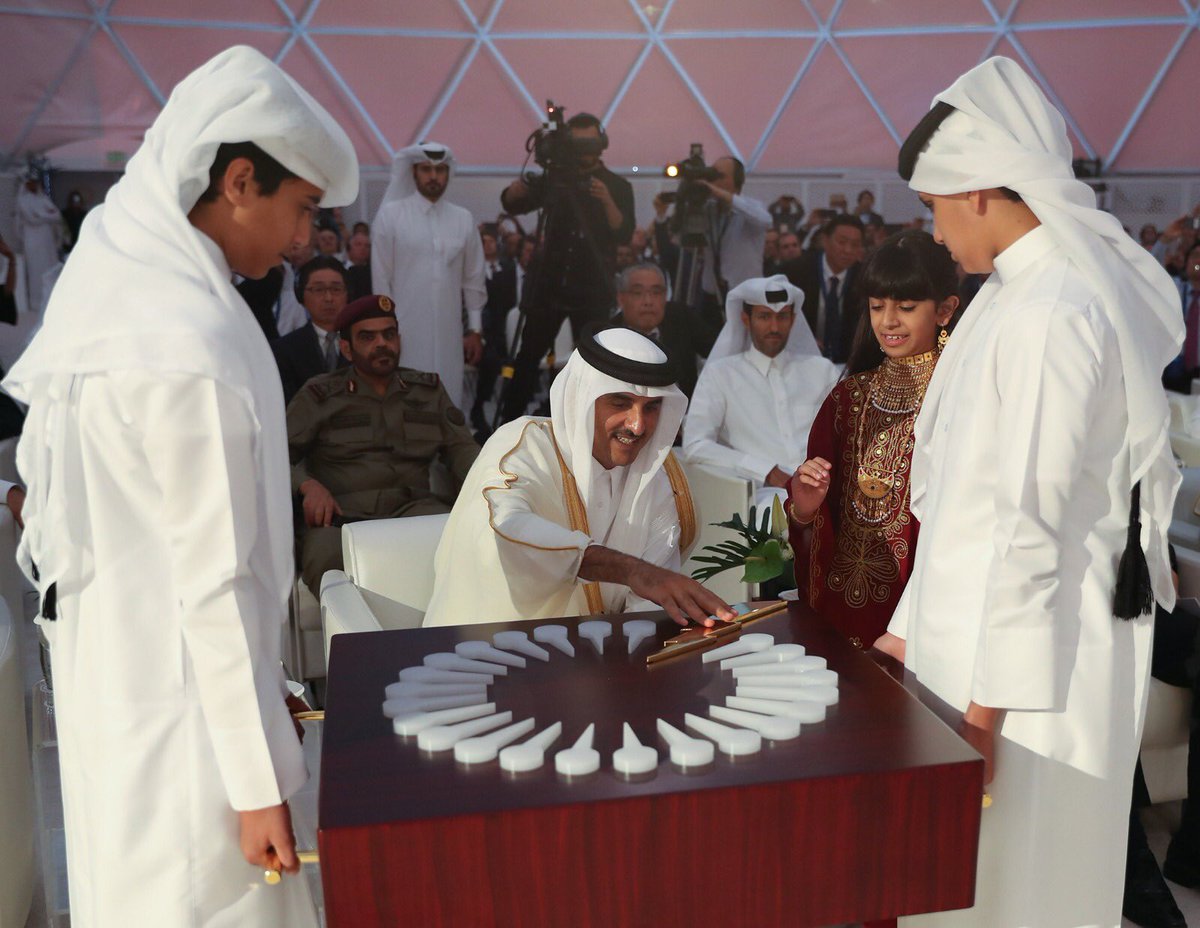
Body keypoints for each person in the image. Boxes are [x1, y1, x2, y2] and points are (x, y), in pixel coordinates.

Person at [1, 46, 358, 926]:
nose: (304, 237)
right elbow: (214, 578)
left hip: (112, 686)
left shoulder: (110, 289)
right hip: (189, 716)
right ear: (238, 182)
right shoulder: (189, 340)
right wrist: (258, 779)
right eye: (301, 207)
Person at [880, 57, 1184, 927]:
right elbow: (965, 502)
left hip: (1029, 684)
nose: (934, 231)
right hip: (974, 657)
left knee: (1023, 894)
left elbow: (1030, 525)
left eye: (935, 206)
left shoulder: (1054, 311)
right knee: (964, 890)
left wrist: (983, 716)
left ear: (977, 190)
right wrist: (905, 634)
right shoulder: (1013, 294)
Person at [424, 327, 734, 627]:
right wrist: (630, 570)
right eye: (620, 403)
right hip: (490, 644)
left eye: (651, 407)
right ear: (582, 398)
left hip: (604, 651)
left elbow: (648, 600)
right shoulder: (523, 446)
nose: (637, 425)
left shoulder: (658, 475)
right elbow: (505, 530)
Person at [786, 232, 958, 650]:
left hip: (928, 605)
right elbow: (813, 517)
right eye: (877, 306)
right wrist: (805, 508)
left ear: (945, 310)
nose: (888, 321)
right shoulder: (847, 398)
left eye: (906, 307)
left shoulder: (959, 399)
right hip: (843, 606)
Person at [287, 294, 479, 596]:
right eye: (368, 337)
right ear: (346, 348)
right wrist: (307, 486)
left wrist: (490, 484)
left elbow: (462, 450)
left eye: (389, 335)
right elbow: (275, 457)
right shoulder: (320, 395)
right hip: (340, 516)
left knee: (464, 546)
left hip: (413, 509)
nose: (382, 344)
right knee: (327, 562)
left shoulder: (426, 390)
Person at [498, 113, 635, 422]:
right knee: (527, 356)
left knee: (596, 362)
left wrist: (606, 200)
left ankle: (590, 424)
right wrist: (515, 191)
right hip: (549, 283)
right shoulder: (555, 181)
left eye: (590, 143)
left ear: (601, 144)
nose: (585, 151)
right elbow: (513, 204)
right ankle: (509, 424)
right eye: (578, 143)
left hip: (592, 287)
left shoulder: (617, 185)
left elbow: (624, 233)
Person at [683, 275, 835, 511]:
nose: (774, 327)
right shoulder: (720, 374)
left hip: (827, 490)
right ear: (746, 319)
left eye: (782, 317)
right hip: (762, 497)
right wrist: (765, 470)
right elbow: (695, 445)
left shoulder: (822, 370)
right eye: (764, 316)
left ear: (793, 319)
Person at [371, 141, 486, 409]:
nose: (433, 176)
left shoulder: (463, 219)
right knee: (406, 403)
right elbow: (381, 280)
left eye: (440, 170)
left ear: (448, 173)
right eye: (426, 169)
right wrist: (386, 331)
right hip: (404, 333)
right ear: (414, 172)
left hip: (450, 334)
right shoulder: (391, 216)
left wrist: (475, 330)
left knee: (448, 399)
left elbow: (474, 279)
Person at [652, 155, 771, 354]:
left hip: (745, 297)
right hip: (710, 297)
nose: (713, 181)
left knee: (744, 354)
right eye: (711, 175)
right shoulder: (707, 211)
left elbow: (765, 220)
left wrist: (717, 192)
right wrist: (667, 212)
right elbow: (678, 242)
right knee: (712, 352)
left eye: (719, 176)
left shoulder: (750, 208)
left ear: (736, 181)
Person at [782, 214, 865, 363]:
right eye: (842, 242)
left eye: (855, 245)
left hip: (848, 362)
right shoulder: (796, 271)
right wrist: (803, 339)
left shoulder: (865, 278)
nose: (848, 250)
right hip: (801, 357)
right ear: (825, 241)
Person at [609, 262, 698, 398]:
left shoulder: (682, 319)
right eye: (638, 293)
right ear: (621, 299)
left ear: (665, 296)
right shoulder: (606, 337)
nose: (648, 301)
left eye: (656, 293)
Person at [272, 255, 349, 405]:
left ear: (348, 294)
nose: (328, 298)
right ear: (301, 296)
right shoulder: (283, 350)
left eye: (336, 289)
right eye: (318, 289)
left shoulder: (363, 344)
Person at [15, 169, 62, 311]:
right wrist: (47, 215)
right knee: (36, 270)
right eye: (31, 183)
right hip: (32, 239)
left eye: (35, 182)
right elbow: (31, 219)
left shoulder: (43, 199)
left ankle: (51, 300)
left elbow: (57, 215)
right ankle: (37, 302)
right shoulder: (22, 200)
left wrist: (41, 215)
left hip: (47, 239)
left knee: (49, 267)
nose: (34, 185)